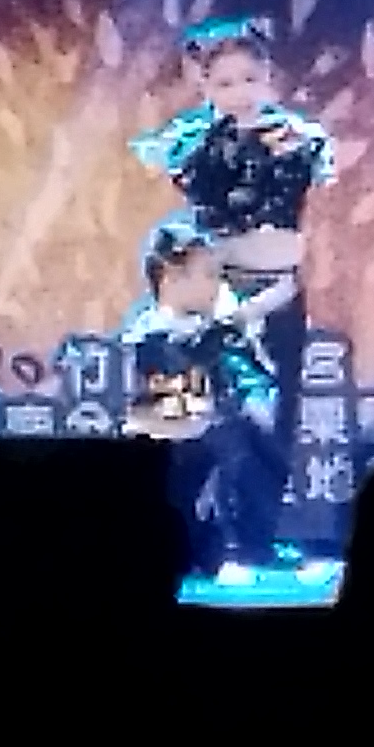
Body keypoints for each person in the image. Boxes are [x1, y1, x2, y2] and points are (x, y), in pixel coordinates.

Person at [130, 15, 337, 570]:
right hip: (216, 292)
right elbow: (202, 203)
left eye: (250, 79)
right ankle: (180, 535)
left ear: (269, 77)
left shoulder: (297, 137)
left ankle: (255, 539)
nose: (240, 92)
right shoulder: (194, 142)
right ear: (204, 85)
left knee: (273, 418)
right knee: (201, 417)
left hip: (281, 291)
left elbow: (302, 191)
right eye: (224, 82)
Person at [117, 217, 294, 588]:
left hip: (207, 430)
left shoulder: (204, 330)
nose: (217, 285)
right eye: (208, 275)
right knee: (217, 457)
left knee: (251, 440)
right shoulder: (149, 333)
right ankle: (215, 554)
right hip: (173, 442)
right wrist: (249, 312)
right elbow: (179, 365)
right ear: (171, 276)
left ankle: (253, 545)